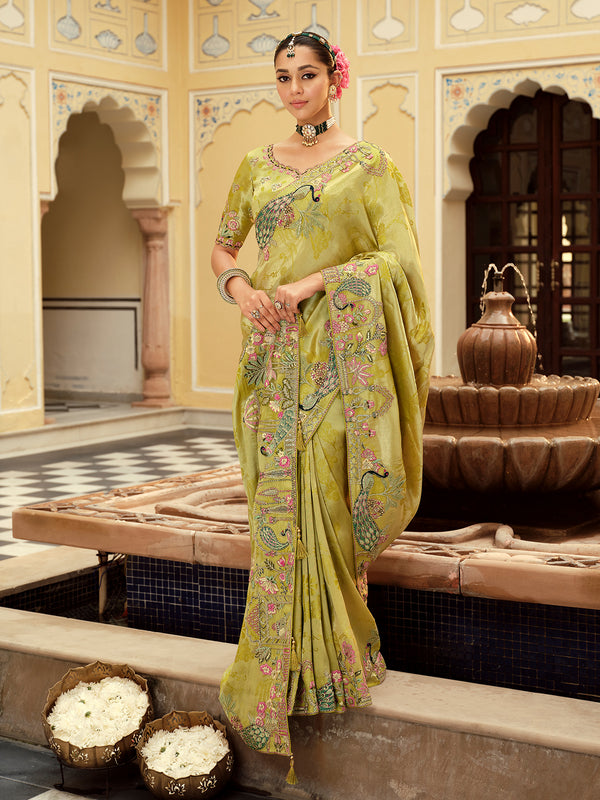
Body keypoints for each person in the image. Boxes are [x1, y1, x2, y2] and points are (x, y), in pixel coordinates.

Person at [211, 31, 434, 783]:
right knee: (277, 514)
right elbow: (223, 248)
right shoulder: (254, 167)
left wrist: (316, 285)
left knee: (333, 503)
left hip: (343, 364)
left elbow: (398, 265)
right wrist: (241, 290)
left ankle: (338, 662)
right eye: (283, 76)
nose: (295, 87)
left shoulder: (369, 165)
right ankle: (281, 675)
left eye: (307, 74)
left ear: (334, 79)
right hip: (271, 367)